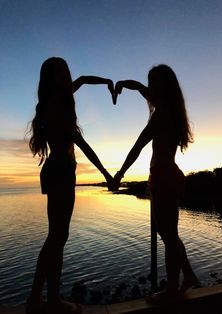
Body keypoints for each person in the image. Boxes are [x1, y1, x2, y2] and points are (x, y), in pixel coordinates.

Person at [26, 57, 114, 314]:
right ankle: (38, 298)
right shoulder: (56, 105)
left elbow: (84, 80)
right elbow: (82, 144)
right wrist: (107, 174)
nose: (67, 76)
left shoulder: (56, 100)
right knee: (56, 237)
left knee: (58, 237)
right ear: (52, 78)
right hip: (61, 171)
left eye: (66, 71)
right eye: (61, 72)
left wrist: (106, 81)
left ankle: (50, 298)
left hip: (59, 171)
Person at [113, 64, 199, 303]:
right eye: (149, 81)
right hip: (165, 175)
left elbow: (139, 145)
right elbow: (140, 88)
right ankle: (188, 275)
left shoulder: (162, 113)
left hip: (163, 176)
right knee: (169, 234)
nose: (149, 86)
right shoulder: (169, 108)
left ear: (165, 86)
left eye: (155, 82)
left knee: (168, 236)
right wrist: (124, 85)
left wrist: (120, 174)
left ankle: (173, 288)